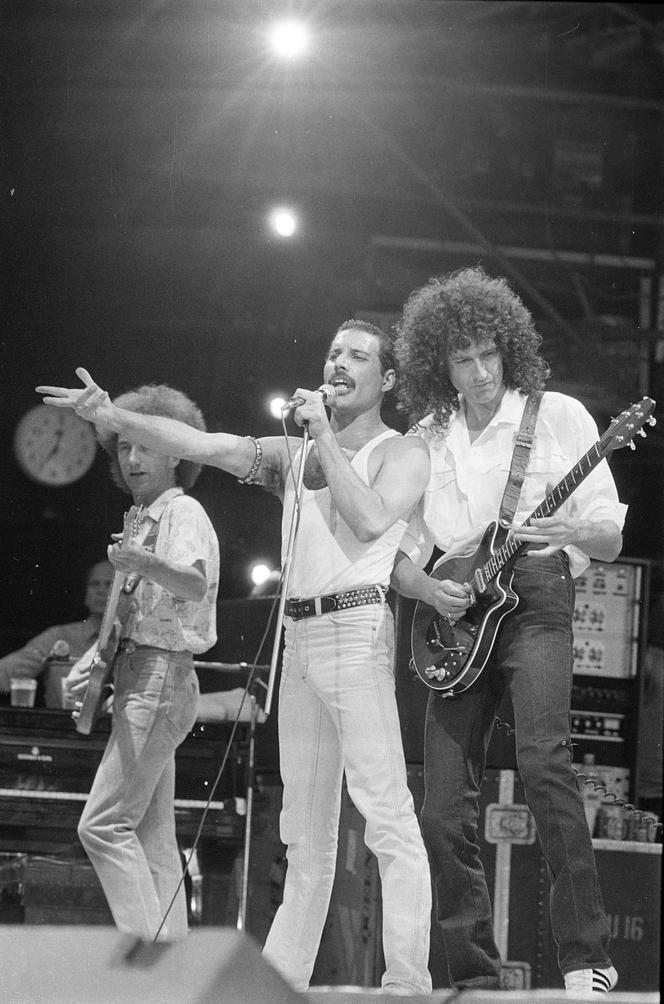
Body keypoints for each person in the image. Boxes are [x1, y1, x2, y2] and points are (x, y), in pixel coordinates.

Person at [37, 318, 433, 996]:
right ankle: (281, 982)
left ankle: (407, 981)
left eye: (357, 356)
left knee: (384, 815)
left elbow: (369, 519)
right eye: (332, 350)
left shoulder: (406, 452)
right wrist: (111, 415)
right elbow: (201, 443)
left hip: (358, 626)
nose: (337, 363)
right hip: (299, 641)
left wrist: (322, 437)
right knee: (304, 833)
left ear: (388, 378)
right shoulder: (292, 452)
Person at [390, 267, 626, 998]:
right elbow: (399, 555)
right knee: (439, 808)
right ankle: (473, 976)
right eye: (463, 359)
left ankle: (588, 958)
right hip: (455, 615)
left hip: (537, 597)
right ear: (441, 365)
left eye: (490, 354)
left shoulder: (559, 416)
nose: (480, 371)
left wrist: (571, 526)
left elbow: (611, 539)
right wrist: (430, 589)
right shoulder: (424, 436)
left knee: (545, 763)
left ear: (510, 350)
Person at [39, 383, 220, 943]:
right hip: (146, 676)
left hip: (161, 677)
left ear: (175, 451)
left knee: (102, 826)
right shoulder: (144, 516)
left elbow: (194, 583)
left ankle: (149, 964)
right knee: (150, 837)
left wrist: (142, 560)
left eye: (144, 445)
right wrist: (92, 664)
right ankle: (176, 974)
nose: (133, 458)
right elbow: (128, 616)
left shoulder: (181, 510)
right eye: (123, 448)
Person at [0, 560, 113, 708]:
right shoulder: (59, 637)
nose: (101, 591)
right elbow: (5, 672)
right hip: (61, 728)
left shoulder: (137, 642)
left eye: (109, 584)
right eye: (95, 584)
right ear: (85, 593)